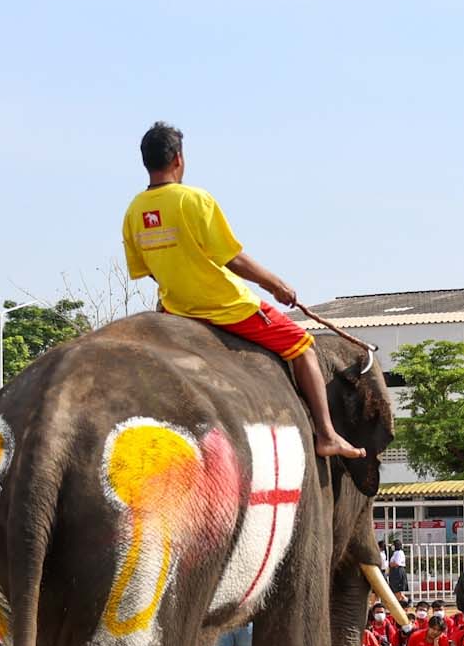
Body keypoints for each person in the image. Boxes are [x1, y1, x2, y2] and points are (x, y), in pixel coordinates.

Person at [122, 121, 361, 459]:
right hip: (225, 305)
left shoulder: (134, 211)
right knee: (302, 347)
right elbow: (232, 259)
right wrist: (275, 284)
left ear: (146, 161)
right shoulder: (194, 199)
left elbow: (147, 269)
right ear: (178, 158)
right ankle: (327, 435)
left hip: (175, 308)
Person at [385, 536, 411, 605]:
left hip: (398, 572)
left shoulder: (399, 553)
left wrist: (390, 564)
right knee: (395, 590)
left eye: (393, 545)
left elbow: (397, 563)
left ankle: (402, 602)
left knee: (396, 589)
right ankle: (406, 601)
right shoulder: (395, 553)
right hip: (394, 571)